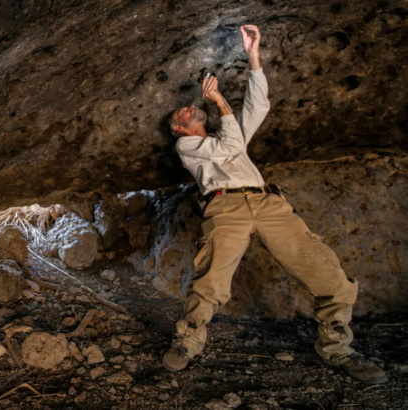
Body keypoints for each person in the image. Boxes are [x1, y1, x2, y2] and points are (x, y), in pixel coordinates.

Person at [162, 24, 388, 385]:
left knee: (328, 274)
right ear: (177, 129)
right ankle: (187, 341)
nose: (190, 107)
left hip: (269, 204)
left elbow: (257, 106)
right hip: (225, 207)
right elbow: (228, 148)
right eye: (182, 113)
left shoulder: (228, 133)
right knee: (211, 280)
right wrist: (219, 102)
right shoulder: (187, 148)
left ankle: (338, 349)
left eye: (190, 106)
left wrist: (253, 55)